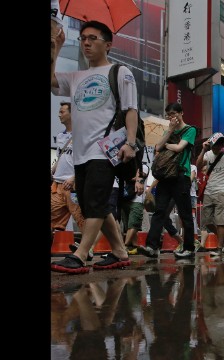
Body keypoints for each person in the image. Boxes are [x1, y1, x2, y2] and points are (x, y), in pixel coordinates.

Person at [51, 20, 136, 273]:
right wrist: (56, 48)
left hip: (104, 149)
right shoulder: (76, 77)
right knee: (92, 205)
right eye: (83, 38)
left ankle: (81, 254)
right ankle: (120, 251)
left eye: (92, 38)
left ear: (108, 44)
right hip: (80, 153)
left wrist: (130, 143)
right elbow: (52, 81)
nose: (86, 43)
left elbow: (131, 109)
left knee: (96, 201)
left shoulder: (120, 72)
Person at [137, 103, 197, 259]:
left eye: (173, 113)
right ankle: (152, 246)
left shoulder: (190, 130)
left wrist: (167, 145)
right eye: (169, 115)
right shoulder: (168, 130)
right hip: (165, 177)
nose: (171, 117)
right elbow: (157, 147)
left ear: (181, 113)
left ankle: (189, 248)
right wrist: (169, 131)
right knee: (159, 212)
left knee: (185, 214)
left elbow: (179, 148)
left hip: (181, 176)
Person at [197, 133, 224, 256]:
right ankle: (223, 239)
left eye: (220, 144)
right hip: (209, 191)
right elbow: (199, 166)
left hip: (222, 191)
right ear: (211, 144)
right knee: (207, 222)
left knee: (221, 222)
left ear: (223, 145)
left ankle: (219, 248)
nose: (217, 147)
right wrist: (203, 149)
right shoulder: (208, 154)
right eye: (215, 144)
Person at [51, 102, 85, 235]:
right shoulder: (60, 136)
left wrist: (74, 177)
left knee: (81, 218)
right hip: (57, 184)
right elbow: (62, 155)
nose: (59, 114)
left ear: (72, 114)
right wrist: (55, 166)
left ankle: (89, 248)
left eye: (62, 111)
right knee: (54, 219)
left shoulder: (82, 135)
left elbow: (85, 161)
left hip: (73, 186)